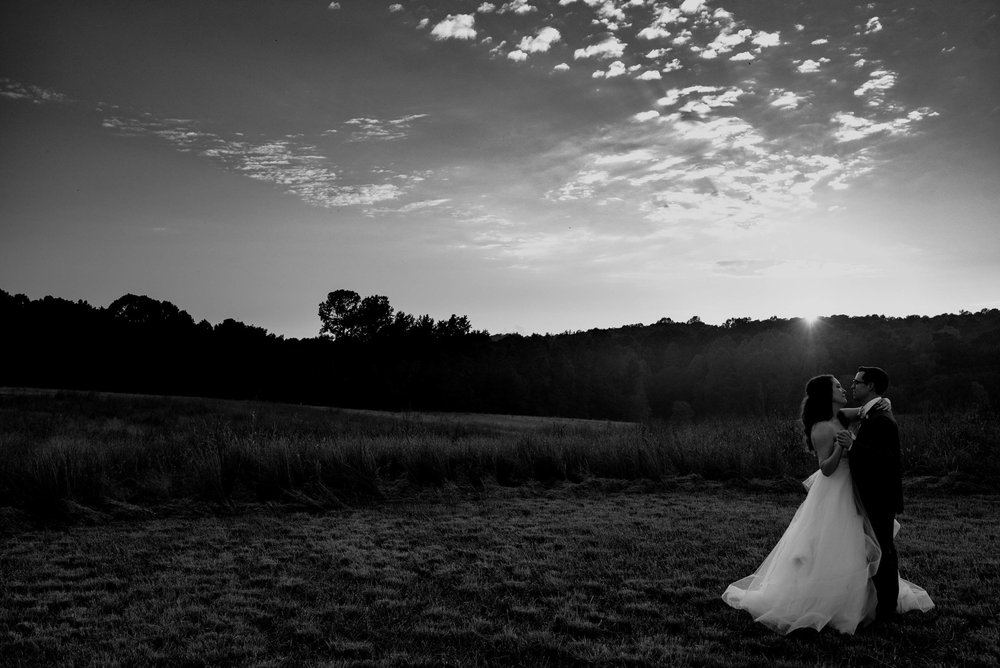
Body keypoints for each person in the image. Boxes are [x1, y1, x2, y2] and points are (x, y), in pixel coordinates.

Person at [721, 374, 933, 635]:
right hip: (836, 488)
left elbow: (868, 409)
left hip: (855, 486)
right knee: (837, 543)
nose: (844, 388)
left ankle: (873, 597)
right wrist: (841, 449)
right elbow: (826, 469)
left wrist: (884, 402)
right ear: (826, 394)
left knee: (864, 540)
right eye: (837, 386)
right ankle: (835, 601)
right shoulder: (821, 427)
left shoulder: (842, 416)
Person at [837, 366, 932, 623]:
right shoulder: (873, 413)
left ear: (870, 387)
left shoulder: (882, 419)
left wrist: (853, 445)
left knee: (883, 550)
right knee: (877, 548)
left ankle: (887, 607)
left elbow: (886, 459)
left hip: (879, 495)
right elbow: (839, 414)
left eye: (857, 382)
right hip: (874, 494)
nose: (852, 385)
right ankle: (880, 601)